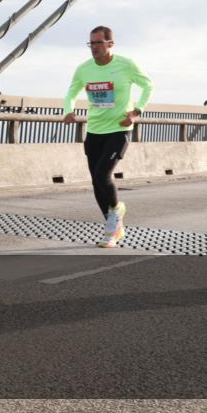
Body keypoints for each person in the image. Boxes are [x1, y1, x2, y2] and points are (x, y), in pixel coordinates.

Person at [62, 26, 153, 248]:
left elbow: (147, 85)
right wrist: (68, 110)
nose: (94, 48)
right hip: (94, 130)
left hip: (119, 129)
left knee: (103, 175)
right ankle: (113, 224)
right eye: (91, 44)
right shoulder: (84, 69)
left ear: (110, 44)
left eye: (98, 43)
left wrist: (136, 112)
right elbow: (72, 92)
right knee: (95, 180)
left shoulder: (126, 65)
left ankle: (115, 217)